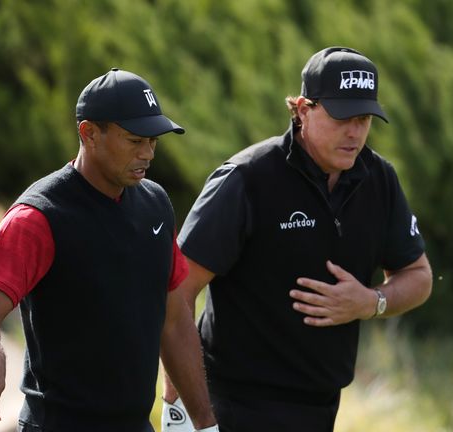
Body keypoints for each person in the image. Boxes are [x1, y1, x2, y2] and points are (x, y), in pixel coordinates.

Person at [160, 47, 433, 431]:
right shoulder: (247, 178)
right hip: (233, 406)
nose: (354, 132)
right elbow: (178, 291)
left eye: (364, 118)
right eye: (342, 117)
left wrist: (371, 302)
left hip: (321, 408)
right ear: (303, 109)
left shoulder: (379, 180)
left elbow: (419, 276)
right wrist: (180, 411)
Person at [0, 68, 218, 432]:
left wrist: (206, 424)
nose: (147, 153)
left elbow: (174, 321)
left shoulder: (155, 204)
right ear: (89, 133)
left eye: (153, 141)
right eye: (134, 141)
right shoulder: (39, 217)